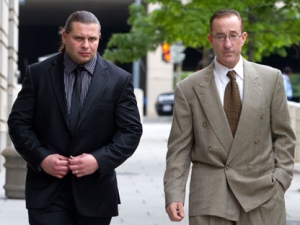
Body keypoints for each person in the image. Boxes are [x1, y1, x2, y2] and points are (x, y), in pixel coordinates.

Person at [8, 10, 142, 225]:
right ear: (64, 37)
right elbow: (18, 123)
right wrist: (41, 158)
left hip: (96, 192)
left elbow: (131, 131)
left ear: (99, 38)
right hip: (47, 191)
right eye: (79, 38)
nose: (86, 45)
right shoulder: (38, 74)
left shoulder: (119, 80)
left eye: (92, 39)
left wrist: (99, 160)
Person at [164, 9, 295, 225]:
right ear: (210, 39)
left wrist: (280, 180)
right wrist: (174, 193)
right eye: (220, 36)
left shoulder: (271, 79)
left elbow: (284, 137)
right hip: (210, 196)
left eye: (233, 35)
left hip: (262, 193)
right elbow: (179, 148)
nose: (227, 43)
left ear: (243, 38)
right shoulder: (188, 88)